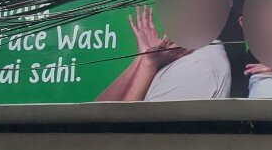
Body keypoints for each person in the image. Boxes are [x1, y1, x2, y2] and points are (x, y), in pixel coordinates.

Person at [96, 6, 231, 102]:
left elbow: (119, 131)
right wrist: (144, 57)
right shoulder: (173, 57)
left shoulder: (195, 65)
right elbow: (97, 113)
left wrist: (148, 62)